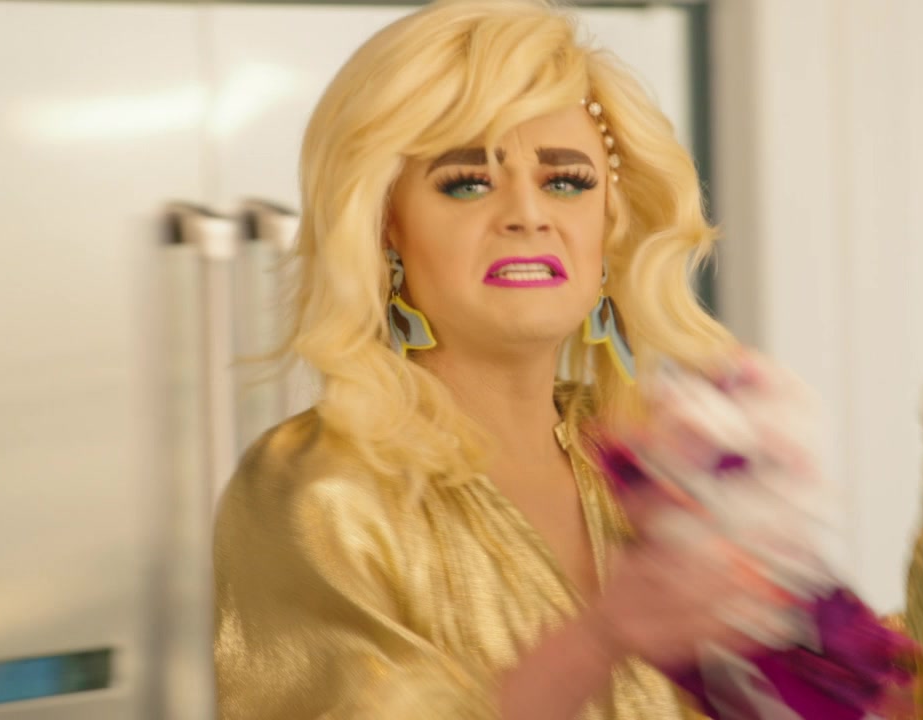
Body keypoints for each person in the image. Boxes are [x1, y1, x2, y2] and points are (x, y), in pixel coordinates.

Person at [213, 1, 767, 718]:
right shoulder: (318, 490)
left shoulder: (650, 464)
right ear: (385, 226)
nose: (528, 215)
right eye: (467, 183)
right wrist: (598, 639)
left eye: (565, 182)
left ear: (610, 220)